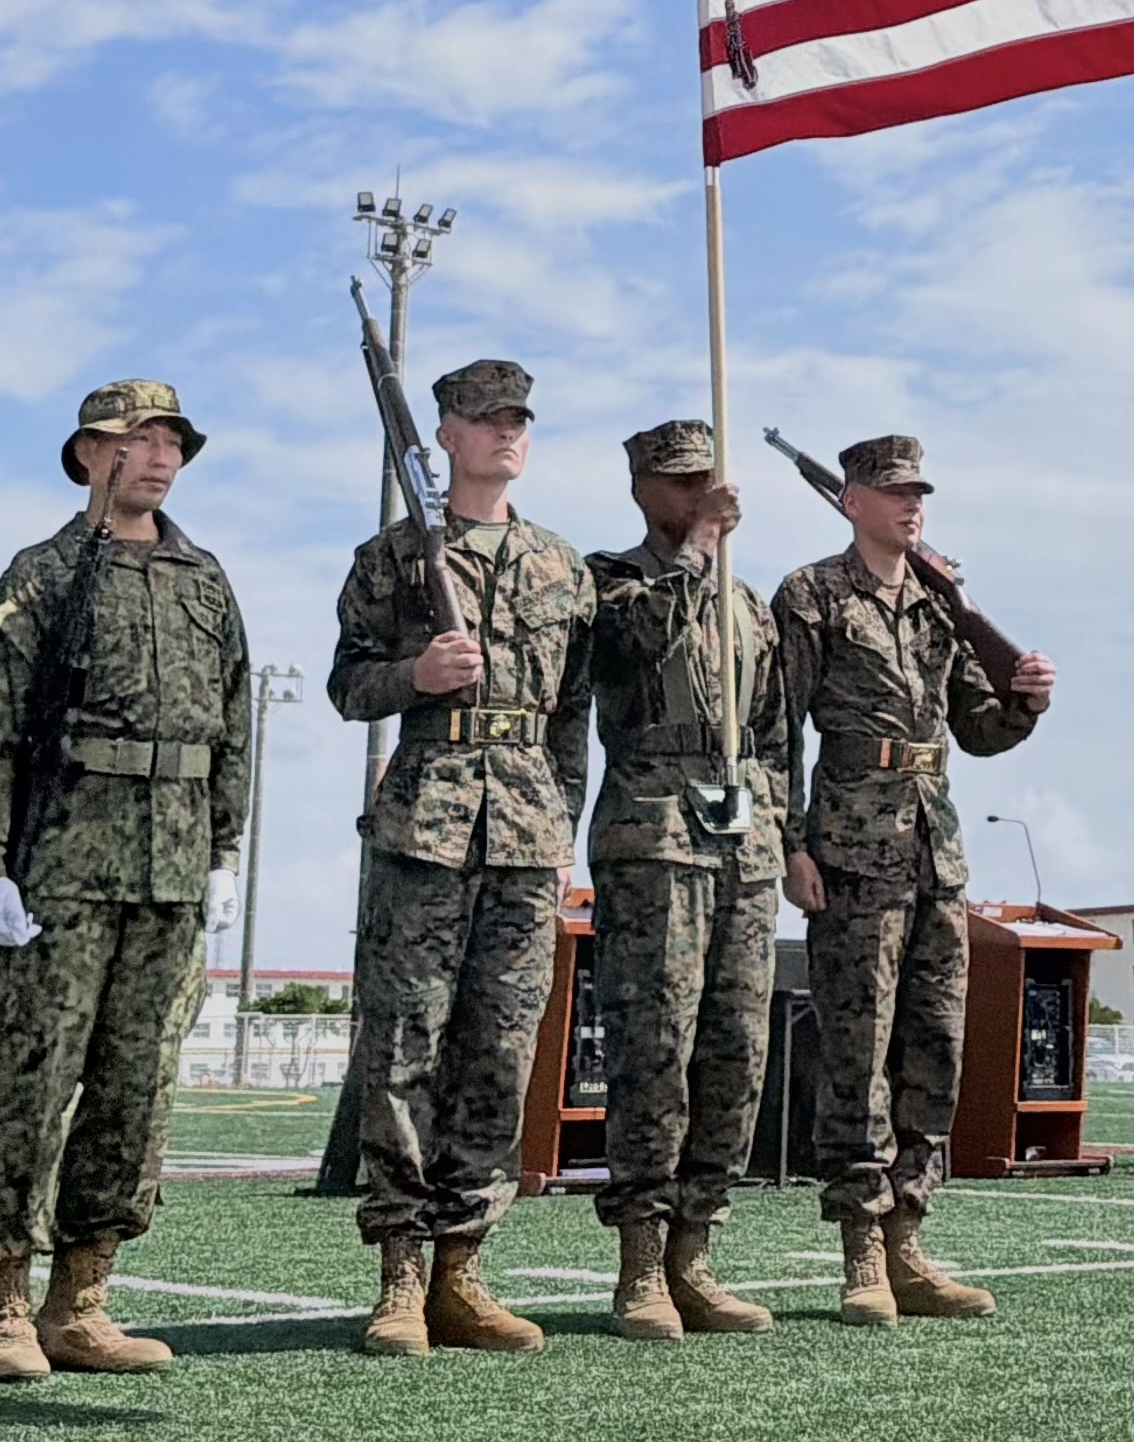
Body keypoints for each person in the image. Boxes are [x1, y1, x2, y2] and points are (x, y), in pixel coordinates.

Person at [0, 382, 252, 1379]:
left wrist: (224, 846)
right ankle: (1, 1301)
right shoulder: (38, 575)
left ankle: (81, 1297)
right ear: (89, 453)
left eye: (170, 439)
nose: (158, 454)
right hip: (61, 863)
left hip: (169, 868)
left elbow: (234, 718)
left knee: (134, 1089)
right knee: (28, 1082)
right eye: (137, 438)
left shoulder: (203, 579)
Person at [328, 359, 595, 1358]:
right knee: (404, 1045)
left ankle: (462, 1267)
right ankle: (400, 1267)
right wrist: (415, 673)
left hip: (525, 832)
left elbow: (572, 717)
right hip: (426, 823)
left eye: (518, 417)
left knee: (501, 1048)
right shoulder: (394, 554)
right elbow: (346, 682)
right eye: (484, 418)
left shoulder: (563, 567)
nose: (504, 432)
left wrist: (557, 816)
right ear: (442, 431)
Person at [776, 435, 1055, 1326]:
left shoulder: (940, 603)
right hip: (853, 848)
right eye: (894, 490)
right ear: (850, 499)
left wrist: (1026, 699)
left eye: (919, 492)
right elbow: (776, 726)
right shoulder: (812, 594)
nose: (912, 504)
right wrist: (791, 841)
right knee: (857, 1048)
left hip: (936, 850)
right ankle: (860, 1250)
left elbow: (977, 726)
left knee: (935, 1042)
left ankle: (908, 1235)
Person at [581, 419, 784, 1341]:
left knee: (734, 1052)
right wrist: (696, 546)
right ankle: (640, 1261)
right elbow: (629, 650)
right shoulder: (612, 578)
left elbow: (778, 731)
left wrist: (782, 822)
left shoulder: (747, 604)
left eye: (708, 481)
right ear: (643, 490)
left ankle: (695, 1249)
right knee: (653, 1045)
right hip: (653, 830)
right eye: (678, 483)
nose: (699, 494)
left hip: (742, 841)